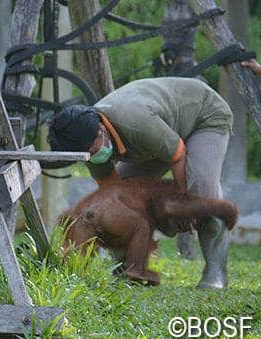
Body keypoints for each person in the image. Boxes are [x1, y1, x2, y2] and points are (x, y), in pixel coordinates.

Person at [48, 77, 234, 290]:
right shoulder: (86, 146)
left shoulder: (135, 121)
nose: (92, 155)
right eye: (86, 154)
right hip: (158, 136)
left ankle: (215, 273)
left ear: (101, 128)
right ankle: (126, 268)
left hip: (203, 116)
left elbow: (177, 155)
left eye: (92, 148)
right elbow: (113, 195)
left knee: (202, 192)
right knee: (125, 200)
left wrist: (185, 205)